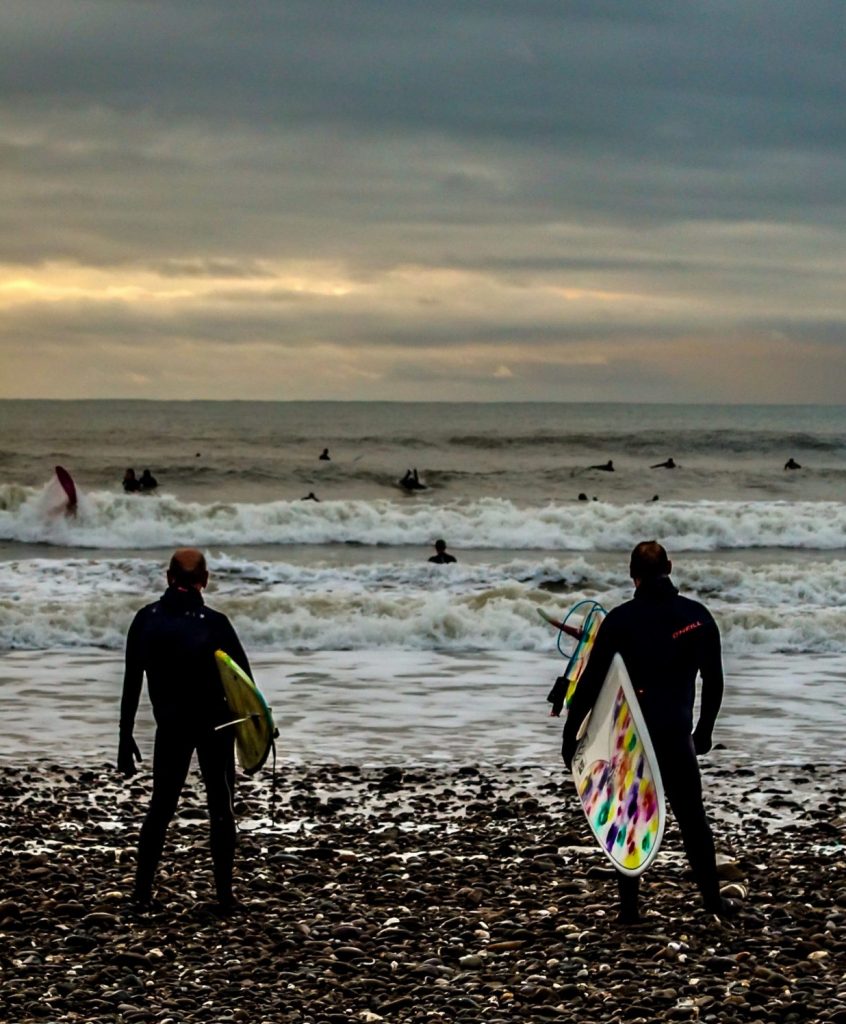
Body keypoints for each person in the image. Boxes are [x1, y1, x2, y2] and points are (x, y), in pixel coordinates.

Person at [561, 540, 735, 923]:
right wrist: (704, 729)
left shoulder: (620, 621)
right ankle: (711, 901)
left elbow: (591, 682)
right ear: (669, 567)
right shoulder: (697, 616)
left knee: (628, 815)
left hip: (633, 736)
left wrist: (571, 733)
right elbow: (715, 679)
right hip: (675, 732)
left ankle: (629, 910)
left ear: (631, 574)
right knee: (692, 818)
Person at [118, 548, 252, 914]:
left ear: (167, 577)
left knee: (160, 807)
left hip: (172, 726)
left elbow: (131, 682)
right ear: (205, 580)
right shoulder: (215, 623)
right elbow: (246, 686)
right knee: (221, 807)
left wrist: (124, 736)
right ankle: (225, 898)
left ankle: (141, 896)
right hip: (215, 725)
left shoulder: (146, 620)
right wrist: (254, 740)